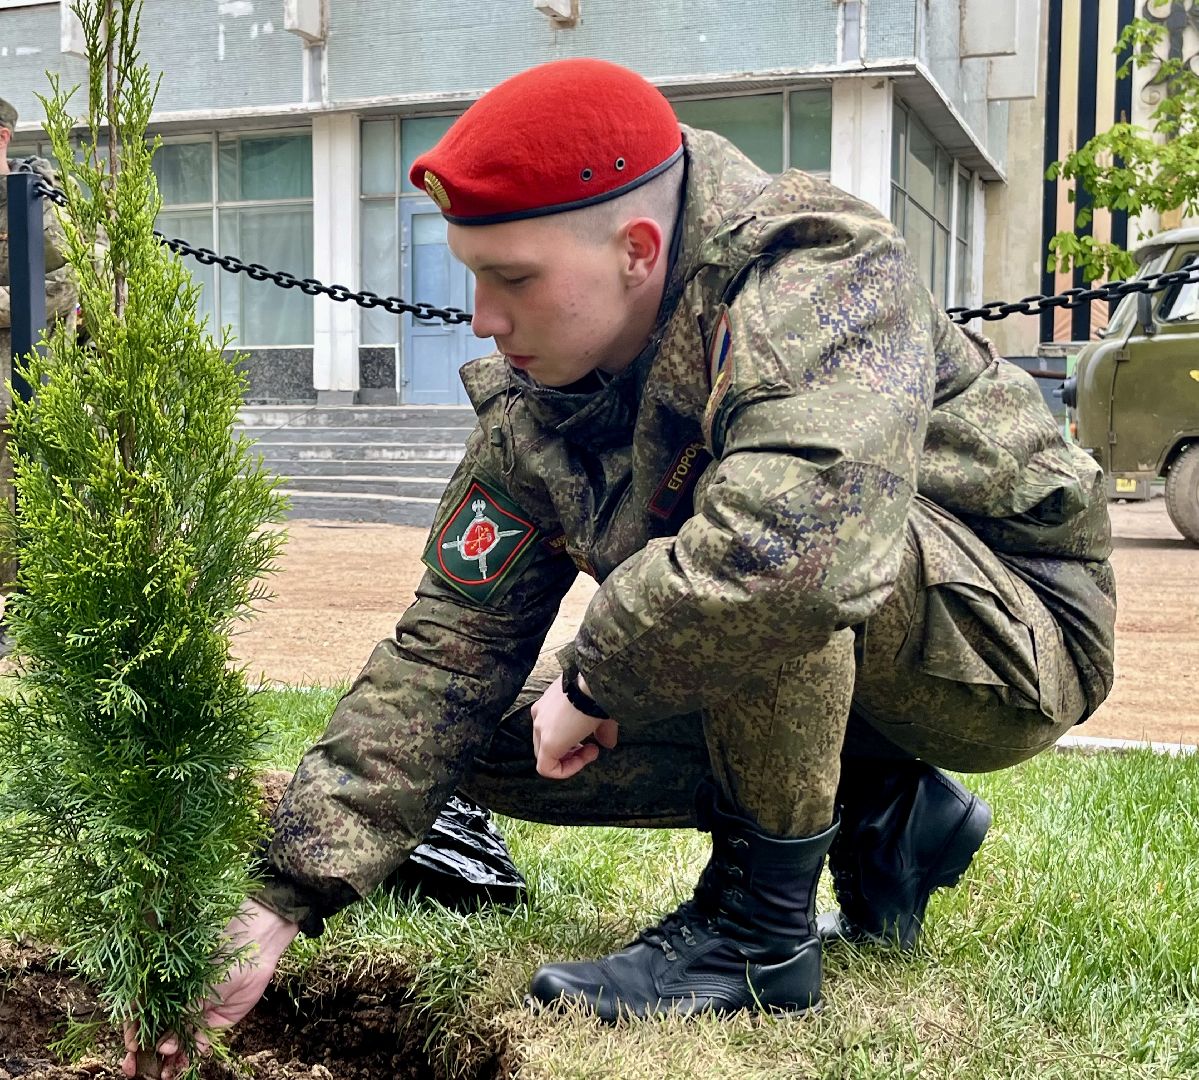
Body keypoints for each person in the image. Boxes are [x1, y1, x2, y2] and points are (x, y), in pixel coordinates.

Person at [124, 58, 1116, 1076]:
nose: (481, 318)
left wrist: (596, 677)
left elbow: (796, 553)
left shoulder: (816, 271)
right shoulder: (539, 399)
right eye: (471, 276)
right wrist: (278, 899)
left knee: (763, 542)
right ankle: (882, 802)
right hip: (831, 622)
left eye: (511, 279)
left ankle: (754, 937)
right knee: (477, 740)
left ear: (636, 250)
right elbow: (443, 654)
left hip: (1008, 641)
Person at [0, 95, 79, 604]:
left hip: (20, 386)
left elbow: (68, 281)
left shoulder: (37, 198)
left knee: (17, 502)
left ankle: (22, 613)